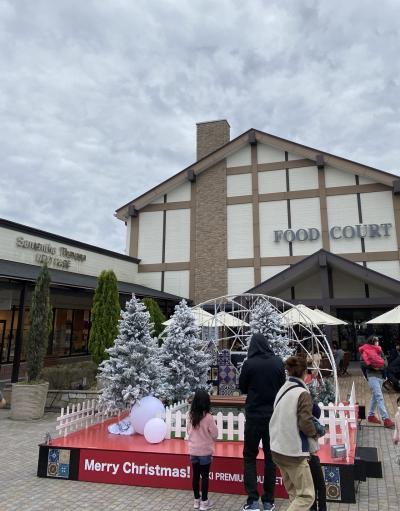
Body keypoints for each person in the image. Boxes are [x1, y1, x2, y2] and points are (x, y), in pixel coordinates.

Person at [239, 333, 286, 511]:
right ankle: (268, 500)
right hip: (272, 417)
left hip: (253, 417)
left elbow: (242, 386)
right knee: (270, 459)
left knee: (250, 457)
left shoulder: (249, 363)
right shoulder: (277, 362)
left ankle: (252, 500)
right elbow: (282, 385)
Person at [269, 356, 318, 511]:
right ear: (305, 372)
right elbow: (305, 422)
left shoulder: (283, 389)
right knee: (306, 496)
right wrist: (315, 433)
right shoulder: (302, 393)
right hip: (293, 452)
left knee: (295, 494)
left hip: (277, 449)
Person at [187, 389, 218, 511]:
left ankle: (196, 501)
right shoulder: (209, 417)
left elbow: (188, 431)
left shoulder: (190, 416)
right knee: (204, 477)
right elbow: (215, 434)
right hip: (205, 451)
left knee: (195, 476)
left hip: (193, 450)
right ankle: (204, 502)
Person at [360, 338, 394, 428]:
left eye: (378, 341)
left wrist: (380, 368)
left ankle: (370, 416)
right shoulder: (366, 350)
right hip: (372, 376)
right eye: (376, 341)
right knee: (379, 397)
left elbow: (385, 362)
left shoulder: (379, 350)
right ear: (372, 342)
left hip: (380, 377)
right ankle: (386, 419)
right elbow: (362, 363)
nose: (378, 342)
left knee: (375, 397)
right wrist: (372, 367)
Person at [308, 403, 327, 511]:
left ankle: (313, 508)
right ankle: (322, 509)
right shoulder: (311, 421)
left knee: (313, 486)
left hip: (306, 456)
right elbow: (322, 431)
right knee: (321, 486)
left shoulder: (301, 419)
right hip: (312, 456)